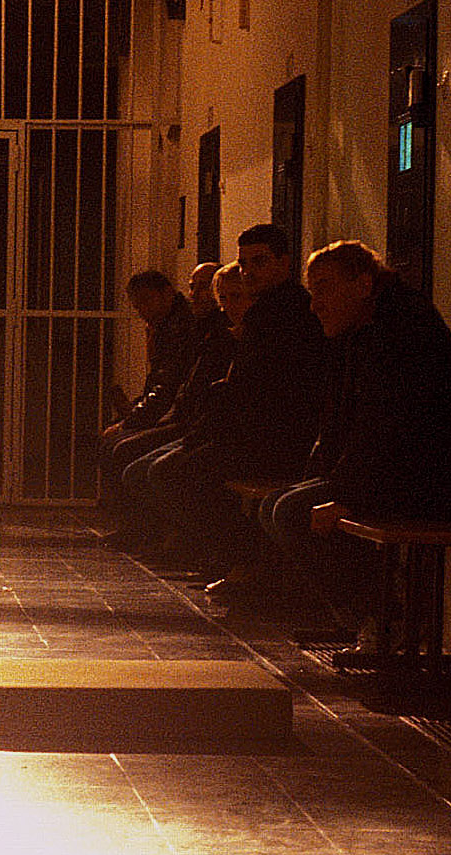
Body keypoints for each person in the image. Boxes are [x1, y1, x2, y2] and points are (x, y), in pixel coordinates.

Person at [262, 239, 451, 644]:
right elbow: (344, 424)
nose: (314, 305)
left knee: (293, 512)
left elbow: (392, 432)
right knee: (278, 504)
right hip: (397, 475)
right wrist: (325, 479)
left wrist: (346, 495)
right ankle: (367, 614)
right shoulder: (363, 328)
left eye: (324, 288)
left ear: (362, 285)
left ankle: (384, 617)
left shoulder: (400, 332)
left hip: (438, 483)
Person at [138, 226, 332, 599]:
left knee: (181, 473)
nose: (249, 272)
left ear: (284, 263)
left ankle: (243, 563)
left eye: (260, 262)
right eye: (244, 264)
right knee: (174, 468)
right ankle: (235, 561)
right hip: (253, 431)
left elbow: (264, 389)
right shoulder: (263, 313)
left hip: (278, 438)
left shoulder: (287, 313)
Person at [94, 268, 207, 547]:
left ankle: (143, 529)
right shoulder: (169, 325)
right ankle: (138, 527)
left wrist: (132, 420)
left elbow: (167, 385)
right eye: (137, 305)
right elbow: (161, 381)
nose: (142, 311)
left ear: (167, 293)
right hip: (175, 410)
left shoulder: (180, 328)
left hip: (181, 415)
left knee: (121, 448)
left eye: (146, 301)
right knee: (114, 444)